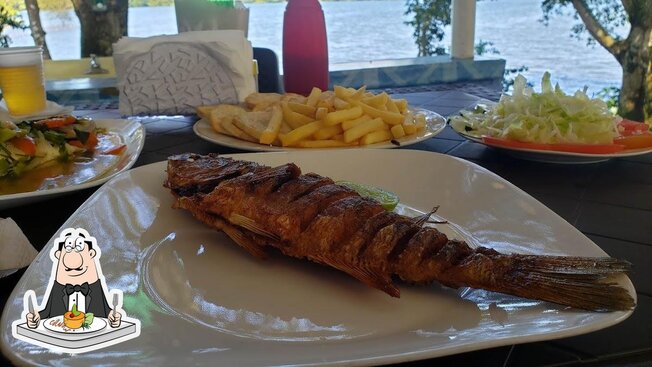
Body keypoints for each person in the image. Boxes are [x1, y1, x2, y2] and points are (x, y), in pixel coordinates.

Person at [25, 228, 121, 329]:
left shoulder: (95, 287)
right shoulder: (58, 288)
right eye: (68, 249)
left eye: (79, 248)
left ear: (91, 254)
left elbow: (106, 312)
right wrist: (35, 317)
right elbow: (47, 312)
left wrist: (113, 317)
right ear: (58, 255)